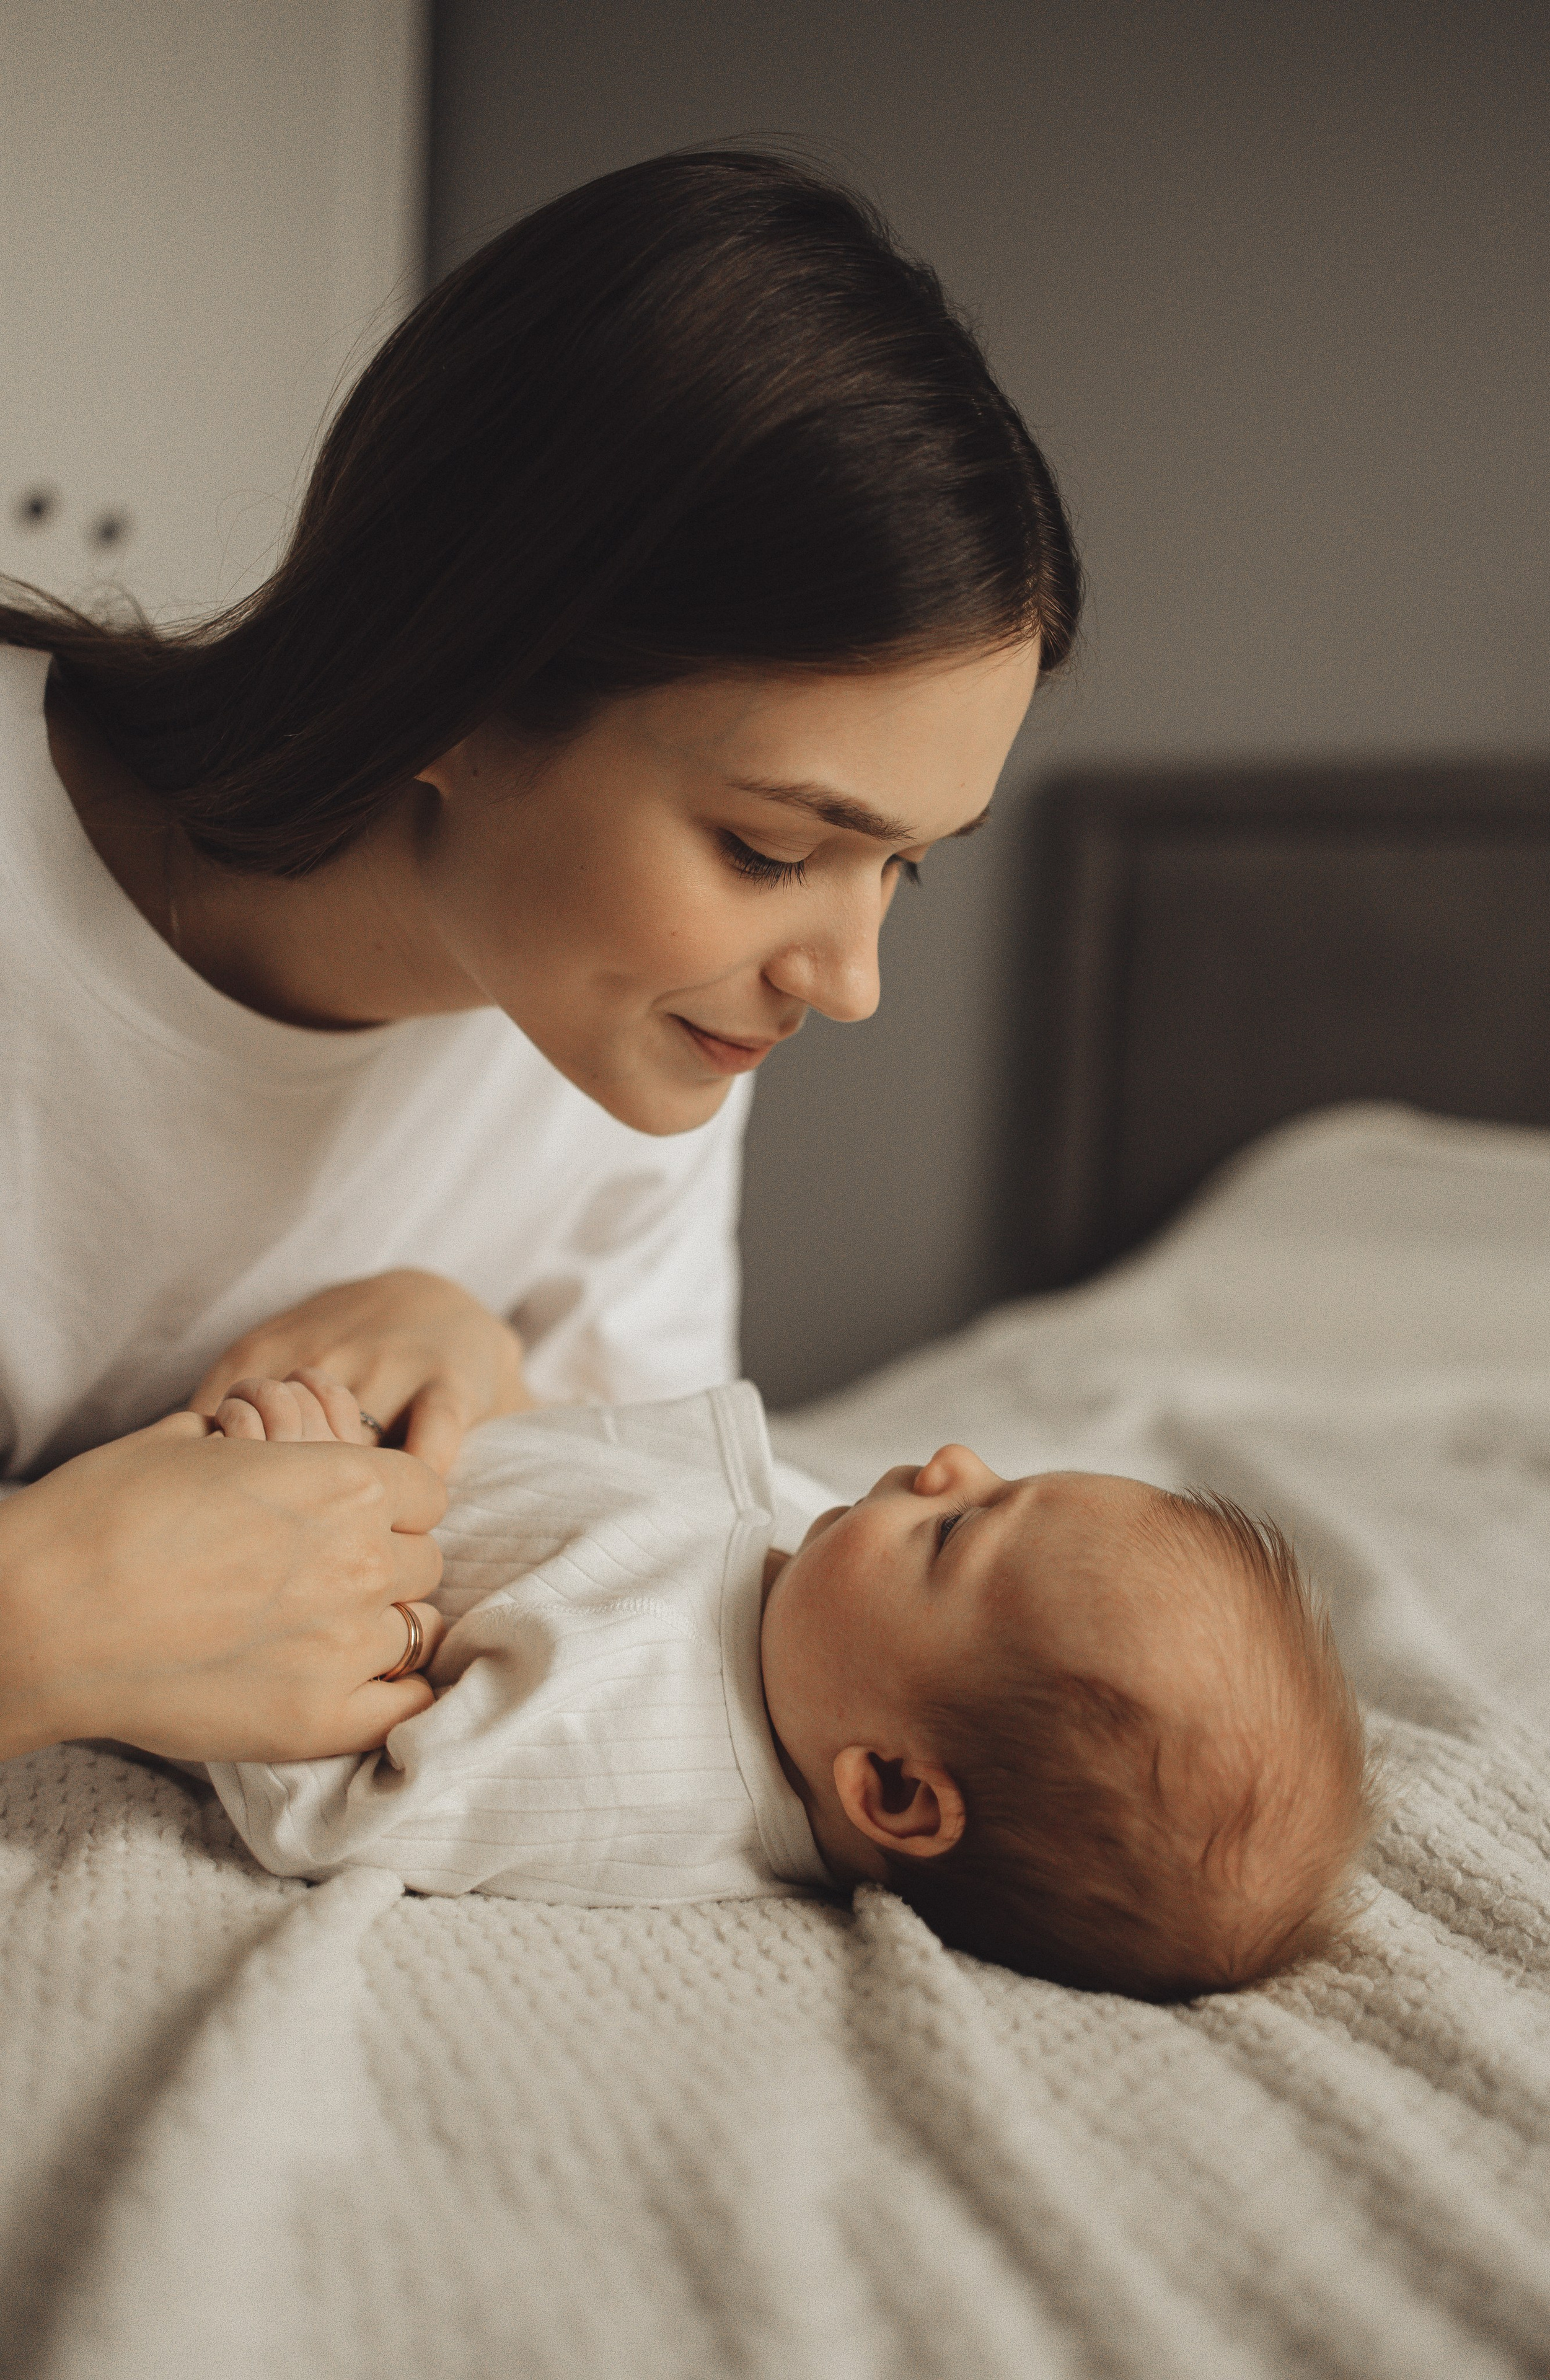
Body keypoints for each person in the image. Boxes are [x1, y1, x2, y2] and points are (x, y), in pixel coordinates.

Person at [0, 152, 1081, 1766]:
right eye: (771, 850)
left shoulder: (636, 1044)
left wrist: (482, 1365)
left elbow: (655, 1580)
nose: (846, 981)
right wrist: (39, 1623)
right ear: (458, 677)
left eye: (901, 866)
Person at [203, 1370, 1375, 2001]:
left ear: (897, 1790)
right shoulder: (822, 1606)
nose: (949, 1462)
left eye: (955, 1531)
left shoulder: (639, 1754)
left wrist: (266, 1537)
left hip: (217, 1509)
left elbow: (340, 1812)